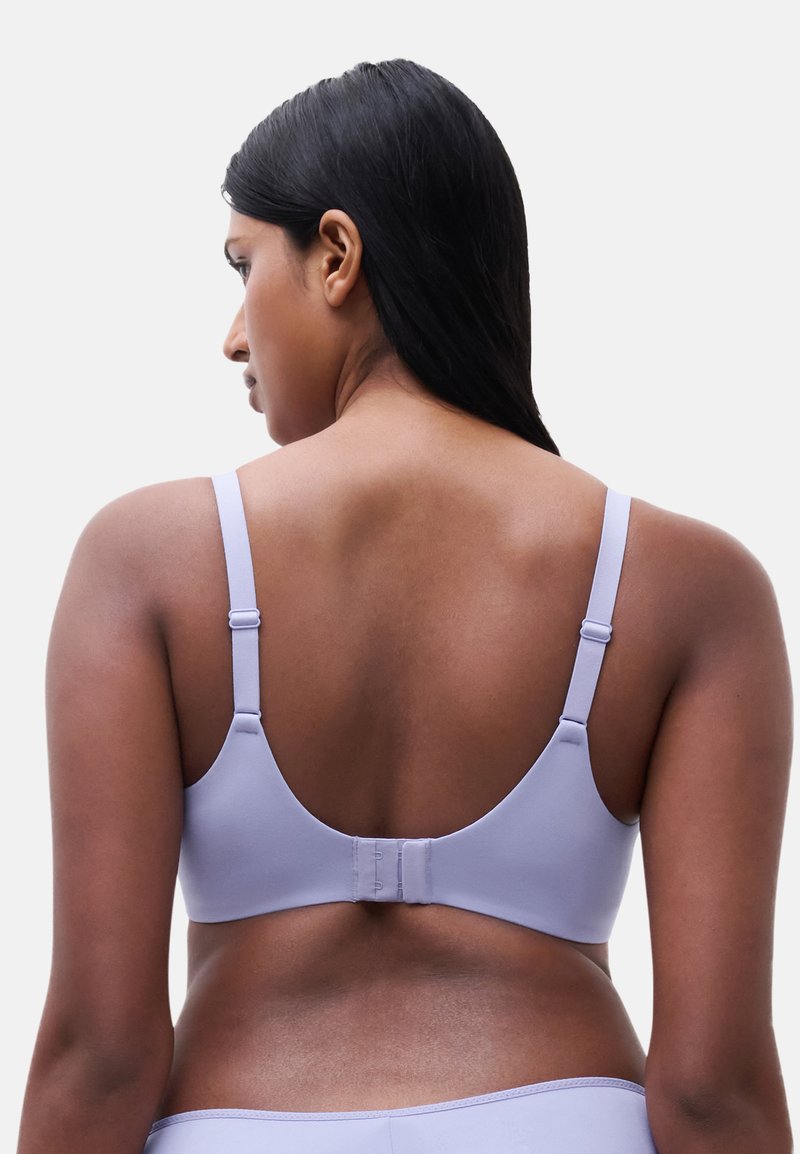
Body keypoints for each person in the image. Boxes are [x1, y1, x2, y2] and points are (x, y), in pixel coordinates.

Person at [16, 58, 793, 1154]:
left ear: (336, 255)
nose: (232, 335)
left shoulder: (147, 559)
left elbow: (100, 1054)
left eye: (244, 266)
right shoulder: (688, 585)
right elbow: (713, 1089)